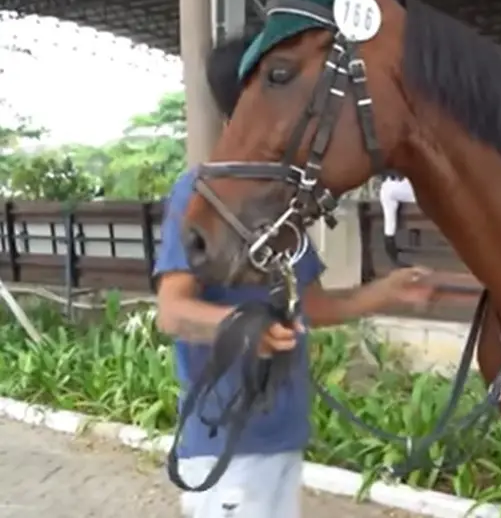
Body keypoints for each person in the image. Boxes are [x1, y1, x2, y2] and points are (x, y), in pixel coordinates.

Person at [153, 36, 435, 518]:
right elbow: (172, 312)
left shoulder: (281, 201)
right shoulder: (201, 194)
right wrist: (242, 327)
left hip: (280, 437)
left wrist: (386, 293)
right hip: (226, 446)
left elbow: (311, 304)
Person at [378, 173, 417, 264]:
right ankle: (392, 252)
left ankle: (392, 253)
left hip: (387, 185)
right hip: (400, 183)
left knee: (389, 224)